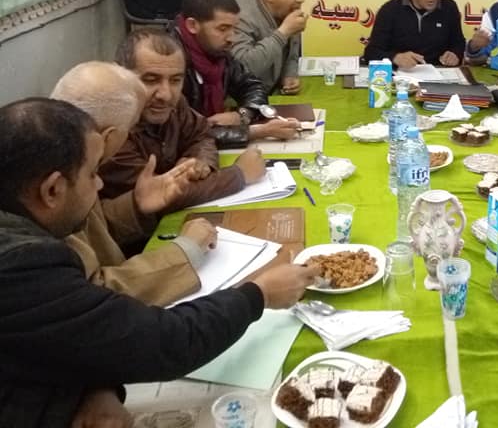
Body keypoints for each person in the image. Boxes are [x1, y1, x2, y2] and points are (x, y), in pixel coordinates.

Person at [0, 97, 320, 427]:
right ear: (52, 190)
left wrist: (94, 387)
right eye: (93, 174)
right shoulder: (21, 266)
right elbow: (162, 341)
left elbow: (65, 337)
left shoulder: (20, 217)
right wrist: (257, 295)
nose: (99, 185)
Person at [51, 61, 209, 306]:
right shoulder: (59, 185)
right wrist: (186, 250)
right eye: (132, 127)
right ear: (109, 137)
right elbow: (92, 297)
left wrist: (135, 205)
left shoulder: (60, 155)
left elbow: (92, 232)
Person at [99, 30, 265, 243]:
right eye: (150, 80)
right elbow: (161, 196)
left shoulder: (176, 104)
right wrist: (239, 175)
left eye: (176, 80)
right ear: (120, 75)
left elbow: (202, 134)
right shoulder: (112, 131)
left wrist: (198, 160)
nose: (166, 94)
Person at [173, 0, 300, 148]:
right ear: (192, 26)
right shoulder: (168, 63)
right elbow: (181, 134)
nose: (231, 38)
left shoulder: (217, 52)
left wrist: (242, 114)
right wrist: (256, 131)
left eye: (234, 29)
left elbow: (252, 85)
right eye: (223, 29)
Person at [362, 0, 466, 69]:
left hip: (439, 73)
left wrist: (455, 54)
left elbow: (458, 43)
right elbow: (371, 53)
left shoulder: (449, 7)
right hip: (402, 75)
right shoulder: (389, 10)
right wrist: (395, 58)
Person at [232, 0, 305, 94]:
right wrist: (283, 33)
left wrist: (289, 75)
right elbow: (243, 69)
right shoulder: (242, 19)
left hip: (276, 94)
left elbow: (292, 55)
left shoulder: (286, 12)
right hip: (248, 97)